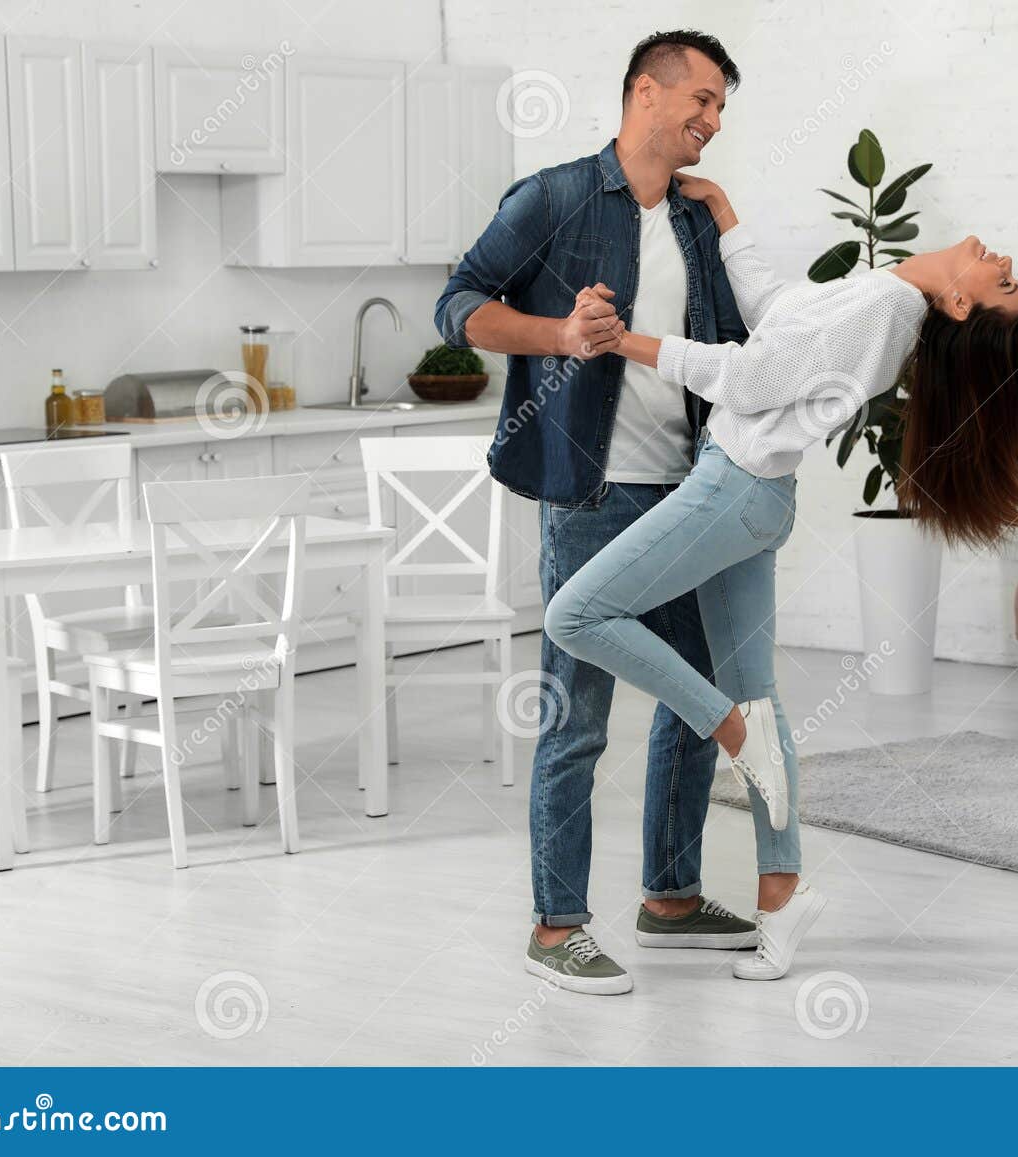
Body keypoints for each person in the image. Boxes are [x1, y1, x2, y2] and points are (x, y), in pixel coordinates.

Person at [544, 175, 1018, 980]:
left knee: (574, 614)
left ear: (965, 308)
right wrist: (729, 213)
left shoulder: (886, 311)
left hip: (731, 491)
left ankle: (727, 727)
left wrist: (622, 341)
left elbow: (750, 379)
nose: (1000, 257)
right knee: (758, 695)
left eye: (1002, 279)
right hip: (751, 493)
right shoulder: (886, 295)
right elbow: (779, 312)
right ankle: (782, 897)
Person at [433, 31, 756, 997]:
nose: (710, 122)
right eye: (700, 101)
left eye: (721, 110)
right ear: (645, 95)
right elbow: (457, 304)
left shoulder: (696, 220)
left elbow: (736, 349)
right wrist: (559, 335)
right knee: (577, 714)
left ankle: (670, 895)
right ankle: (557, 923)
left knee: (696, 699)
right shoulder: (556, 197)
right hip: (589, 490)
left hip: (687, 491)